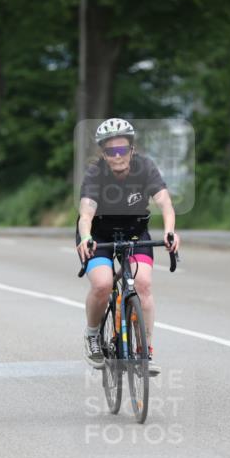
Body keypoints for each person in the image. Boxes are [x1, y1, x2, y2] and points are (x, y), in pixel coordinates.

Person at [76, 117, 179, 376]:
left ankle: (146, 351)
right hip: (98, 235)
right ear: (103, 154)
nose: (118, 156)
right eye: (111, 151)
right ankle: (91, 335)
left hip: (134, 233)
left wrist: (169, 231)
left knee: (142, 284)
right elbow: (86, 214)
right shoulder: (95, 173)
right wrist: (86, 236)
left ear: (132, 150)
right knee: (102, 284)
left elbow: (165, 204)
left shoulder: (144, 167)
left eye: (123, 149)